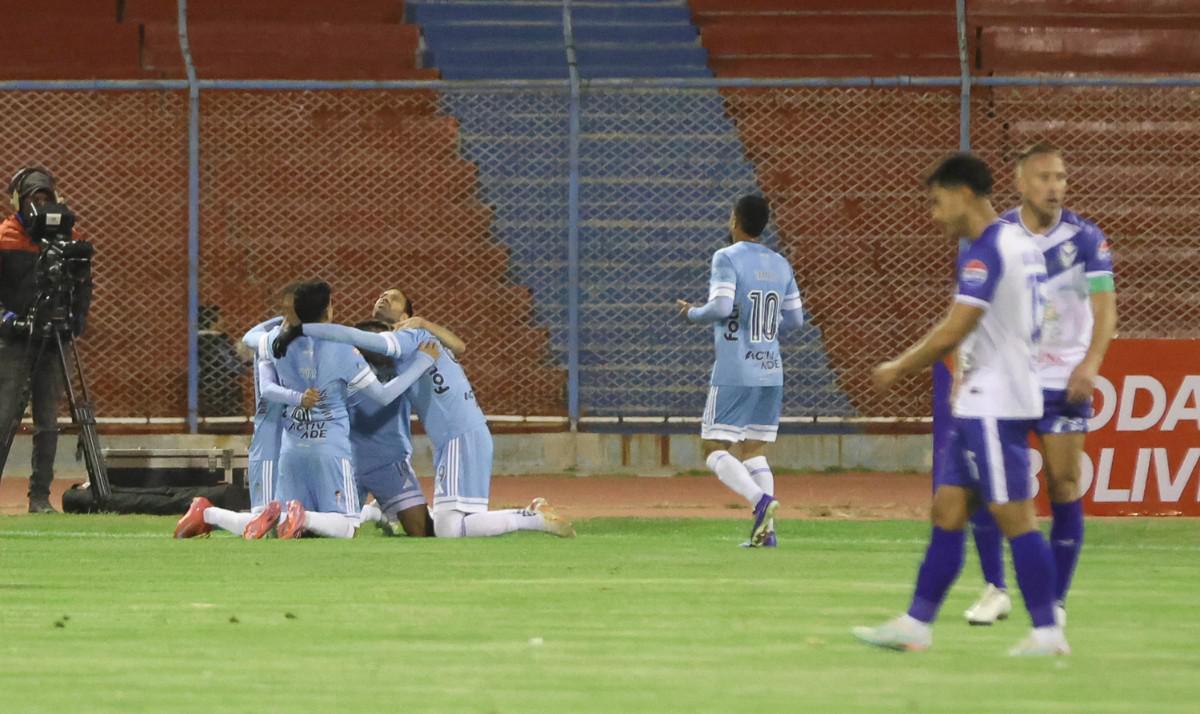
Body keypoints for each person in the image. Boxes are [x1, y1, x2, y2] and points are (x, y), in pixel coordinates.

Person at [853, 153, 1069, 656]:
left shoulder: (988, 249)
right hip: (984, 400)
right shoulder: (1020, 242)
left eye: (936, 201)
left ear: (963, 194)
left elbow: (957, 327)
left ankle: (1047, 632)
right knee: (947, 510)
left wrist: (897, 367)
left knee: (1017, 517)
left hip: (995, 403)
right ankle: (916, 623)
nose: (933, 214)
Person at [963, 143, 1117, 626]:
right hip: (1006, 377)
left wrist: (1090, 362)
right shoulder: (997, 236)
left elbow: (1104, 305)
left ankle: (1055, 600)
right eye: (1046, 177)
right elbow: (972, 306)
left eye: (1062, 178)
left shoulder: (1087, 239)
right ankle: (995, 589)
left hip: (1061, 380)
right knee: (992, 487)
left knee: (1064, 484)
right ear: (1021, 183)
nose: (1056, 187)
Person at [300, 287, 575, 539]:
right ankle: (532, 514)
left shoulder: (408, 338)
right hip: (460, 435)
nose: (383, 297)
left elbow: (357, 337)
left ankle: (532, 517)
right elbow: (459, 346)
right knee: (449, 526)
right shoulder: (417, 341)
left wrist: (311, 330)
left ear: (406, 314)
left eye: (393, 297)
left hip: (459, 435)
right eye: (380, 295)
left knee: (449, 530)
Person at [675, 195, 803, 547]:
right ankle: (767, 534)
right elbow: (795, 319)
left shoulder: (726, 257)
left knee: (714, 447)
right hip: (771, 368)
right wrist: (764, 322)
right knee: (754, 451)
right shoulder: (780, 263)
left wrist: (691, 313)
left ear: (735, 220)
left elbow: (720, 307)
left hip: (736, 369)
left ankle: (760, 502)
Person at [174, 283, 319, 538]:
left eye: (293, 309)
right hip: (270, 436)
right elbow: (265, 380)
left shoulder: (315, 343)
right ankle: (207, 513)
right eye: (286, 309)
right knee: (265, 521)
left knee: (291, 521)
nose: (288, 315)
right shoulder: (271, 340)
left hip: (299, 439)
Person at [0, 166, 91, 513]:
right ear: (18, 202)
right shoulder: (5, 237)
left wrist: (75, 319)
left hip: (53, 341)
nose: (40, 204)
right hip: (13, 342)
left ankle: (40, 497)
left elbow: (82, 285)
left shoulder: (66, 238)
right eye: (33, 198)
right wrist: (9, 322)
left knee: (48, 422)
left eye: (45, 197)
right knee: (5, 416)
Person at [197, 304, 249, 418]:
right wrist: (244, 357)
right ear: (212, 322)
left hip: (203, 392)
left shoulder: (196, 341)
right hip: (225, 394)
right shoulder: (218, 342)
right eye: (220, 318)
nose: (224, 322)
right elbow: (233, 365)